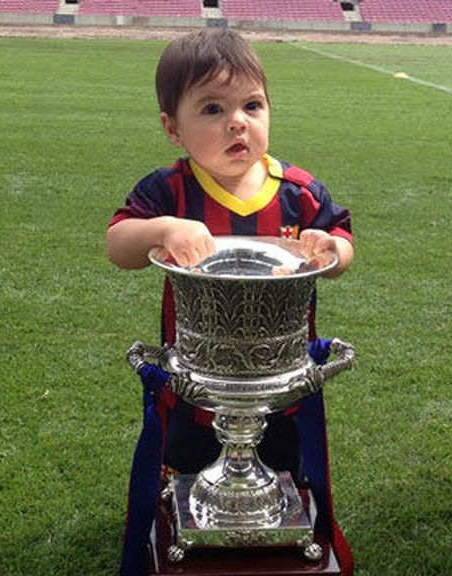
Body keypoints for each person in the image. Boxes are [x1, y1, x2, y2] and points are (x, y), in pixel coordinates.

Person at [106, 29, 354, 574]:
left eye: (252, 105)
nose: (237, 121)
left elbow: (342, 249)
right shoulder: (168, 191)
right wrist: (163, 230)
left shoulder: (300, 192)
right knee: (191, 474)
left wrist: (328, 248)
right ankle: (189, 533)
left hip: (280, 383)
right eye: (213, 109)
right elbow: (117, 244)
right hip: (195, 380)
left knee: (281, 475)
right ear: (173, 127)